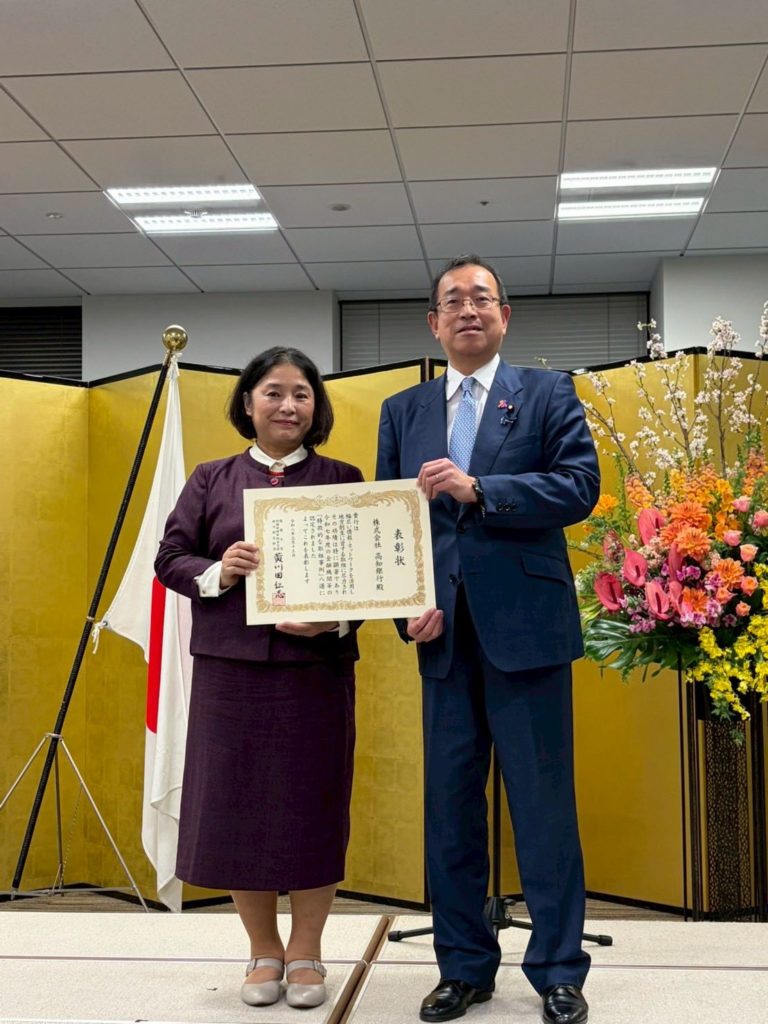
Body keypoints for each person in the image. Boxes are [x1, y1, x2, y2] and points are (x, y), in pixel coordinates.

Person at [376, 255, 600, 1024]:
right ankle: (463, 967)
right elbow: (391, 523)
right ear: (433, 324)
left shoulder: (547, 392)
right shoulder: (402, 411)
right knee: (450, 813)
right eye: (453, 301)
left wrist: (483, 490)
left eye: (482, 298)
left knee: (543, 809)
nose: (468, 310)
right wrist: (405, 608)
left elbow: (579, 487)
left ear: (505, 316)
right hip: (442, 639)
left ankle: (559, 972)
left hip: (528, 634)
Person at [155, 347, 363, 1010]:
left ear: (315, 407)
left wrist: (334, 622)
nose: (288, 406)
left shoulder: (342, 478)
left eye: (301, 393)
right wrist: (220, 570)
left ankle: (307, 952)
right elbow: (170, 558)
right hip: (231, 673)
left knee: (312, 807)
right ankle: (262, 951)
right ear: (247, 403)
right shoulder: (210, 479)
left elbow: (367, 576)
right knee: (237, 809)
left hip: (315, 673)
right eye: (274, 392)